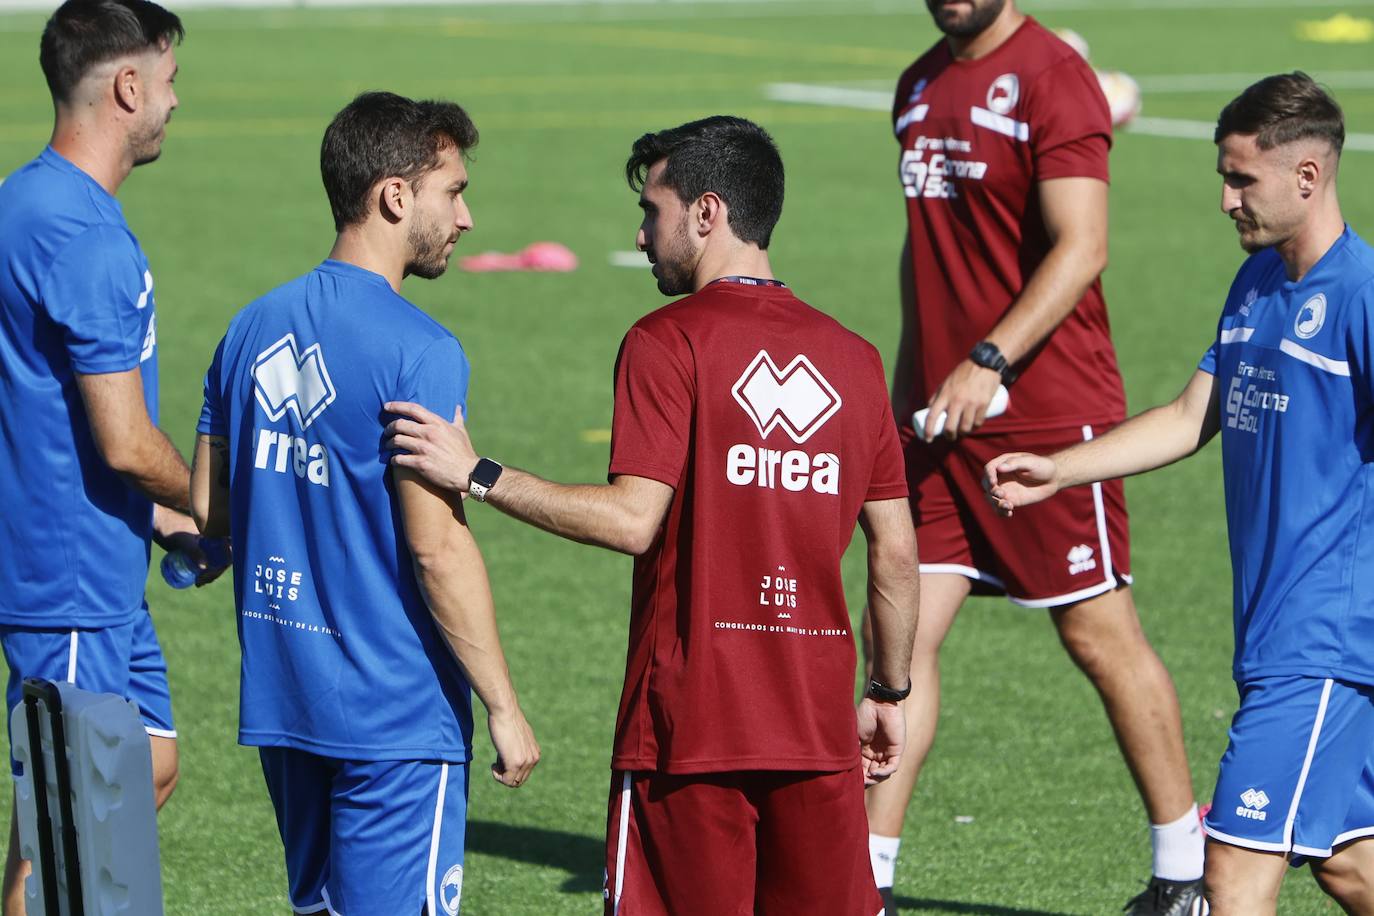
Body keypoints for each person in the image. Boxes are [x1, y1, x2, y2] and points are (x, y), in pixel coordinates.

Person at [383, 115, 919, 915]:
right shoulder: (855, 358)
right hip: (816, 734)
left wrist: (480, 473)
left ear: (707, 213)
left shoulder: (668, 341)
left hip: (688, 732)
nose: (641, 236)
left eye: (652, 211)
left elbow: (636, 520)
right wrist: (888, 685)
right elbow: (897, 554)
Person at [985, 71, 1374, 916]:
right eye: (1222, 178)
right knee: (1349, 862)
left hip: (1323, 645)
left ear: (1306, 177)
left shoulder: (1363, 298)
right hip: (1274, 631)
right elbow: (1191, 415)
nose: (1226, 200)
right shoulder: (1258, 286)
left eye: (1242, 180)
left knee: (1230, 877)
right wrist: (1059, 468)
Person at [868, 0, 1205, 912]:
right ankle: (868, 881)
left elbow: (1083, 246)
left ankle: (1184, 872)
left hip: (1047, 412)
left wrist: (989, 360)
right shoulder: (918, 84)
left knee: (1096, 633)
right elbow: (924, 254)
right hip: (937, 416)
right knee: (901, 637)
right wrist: (909, 389)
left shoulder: (1054, 76)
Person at [189, 91, 539, 916]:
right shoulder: (421, 351)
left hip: (287, 703)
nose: (467, 218)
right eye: (452, 191)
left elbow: (210, 508)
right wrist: (504, 707)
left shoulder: (249, 327)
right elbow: (437, 549)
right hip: (394, 713)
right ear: (394, 195)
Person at [0, 3, 224, 914]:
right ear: (128, 87)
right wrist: (218, 505)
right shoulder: (87, 240)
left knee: (147, 769)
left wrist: (158, 518)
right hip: (69, 584)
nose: (173, 104)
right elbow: (128, 441)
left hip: (92, 563)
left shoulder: (22, 200)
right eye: (168, 83)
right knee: (72, 842)